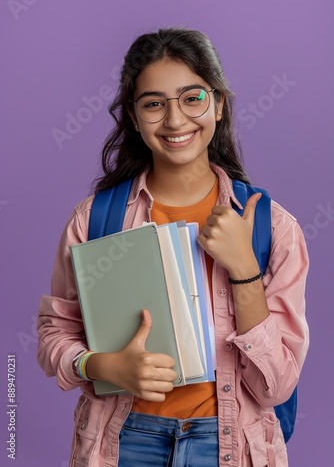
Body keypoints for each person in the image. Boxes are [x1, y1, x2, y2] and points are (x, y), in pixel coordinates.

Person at [37, 27, 309, 467]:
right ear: (133, 115)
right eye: (154, 104)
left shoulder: (272, 227)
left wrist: (244, 269)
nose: (176, 120)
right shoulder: (95, 220)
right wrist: (102, 367)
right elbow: (55, 334)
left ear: (219, 104)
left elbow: (275, 387)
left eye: (192, 98)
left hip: (229, 445)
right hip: (121, 441)